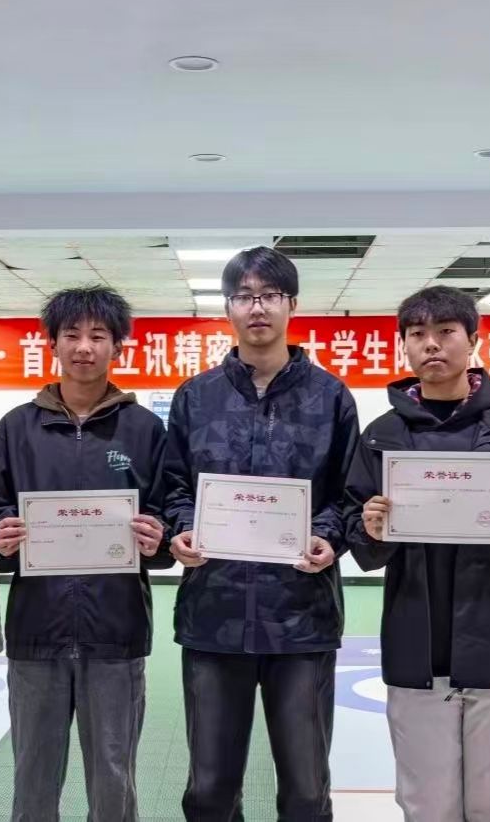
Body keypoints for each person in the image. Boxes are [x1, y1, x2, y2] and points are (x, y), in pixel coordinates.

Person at [343, 285, 490, 821]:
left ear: (473, 341)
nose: (432, 344)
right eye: (417, 334)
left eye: (446, 332)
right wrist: (371, 528)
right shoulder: (382, 434)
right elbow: (358, 535)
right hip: (417, 642)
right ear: (404, 345)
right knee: (426, 801)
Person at [164, 246, 360, 822]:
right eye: (244, 296)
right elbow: (173, 487)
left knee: (305, 789)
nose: (257, 307)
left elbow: (348, 493)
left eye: (269, 295)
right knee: (209, 790)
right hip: (213, 616)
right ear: (227, 307)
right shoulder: (196, 397)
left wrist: (327, 537)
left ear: (291, 305)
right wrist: (183, 530)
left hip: (301, 618)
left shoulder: (330, 397)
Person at [0, 285, 171, 822]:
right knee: (33, 777)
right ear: (53, 345)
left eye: (98, 336)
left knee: (113, 776)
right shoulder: (17, 429)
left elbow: (167, 513)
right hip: (36, 628)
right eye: (72, 335)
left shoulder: (145, 430)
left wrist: (158, 538)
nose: (84, 346)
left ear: (118, 347)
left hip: (116, 630)